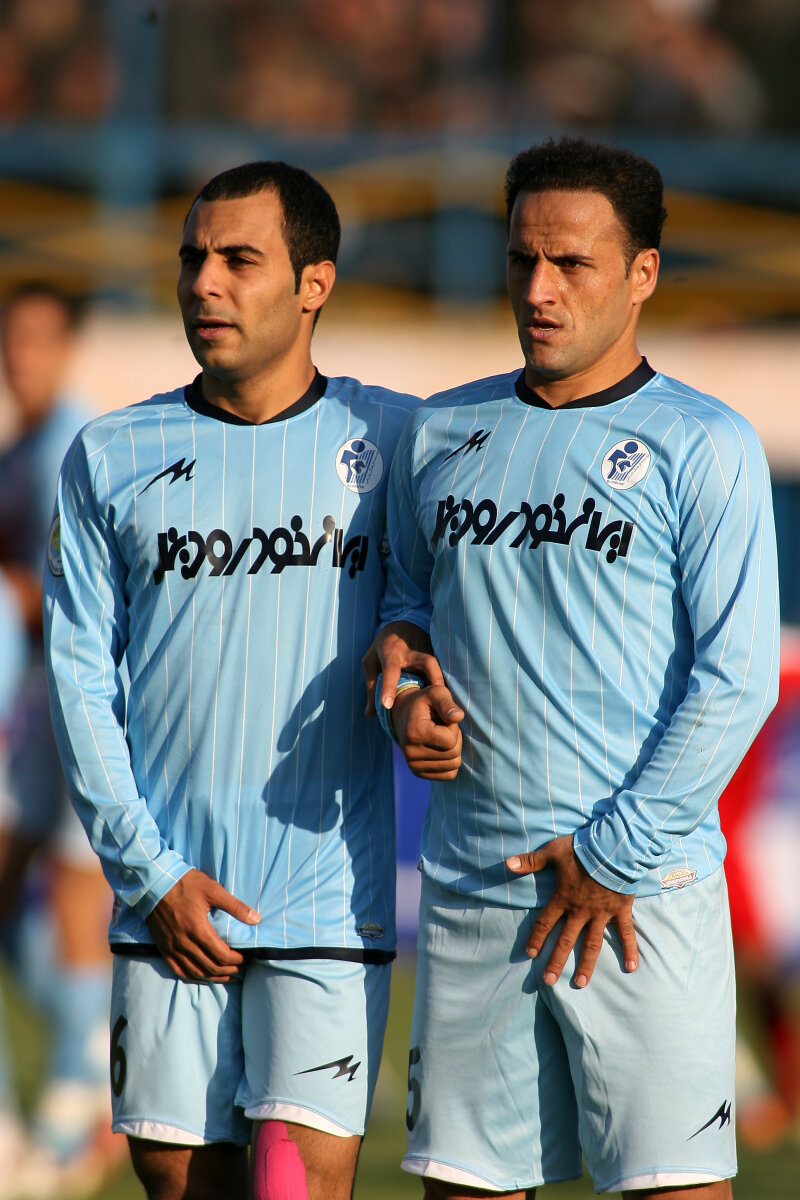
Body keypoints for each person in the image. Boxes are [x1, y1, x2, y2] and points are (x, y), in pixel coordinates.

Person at [365, 136, 779, 1198]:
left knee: (673, 1189)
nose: (538, 290)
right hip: (474, 889)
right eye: (521, 260)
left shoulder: (705, 443)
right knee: (463, 1187)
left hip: (639, 896)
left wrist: (613, 854)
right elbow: (408, 611)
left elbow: (734, 678)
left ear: (641, 273)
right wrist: (406, 695)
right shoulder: (442, 429)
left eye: (571, 264)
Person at [43, 160, 419, 1200]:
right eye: (191, 258)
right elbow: (78, 683)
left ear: (314, 283)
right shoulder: (110, 454)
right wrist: (149, 875)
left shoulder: (396, 441)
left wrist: (414, 656)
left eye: (239, 259)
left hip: (324, 902)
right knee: (180, 1186)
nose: (203, 282)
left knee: (293, 1182)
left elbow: (436, 609)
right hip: (166, 900)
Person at [0, 282, 122, 1196]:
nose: (22, 356)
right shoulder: (19, 449)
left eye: (39, 339)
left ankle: (84, 1092)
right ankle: (82, 1082)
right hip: (33, 700)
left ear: (68, 346)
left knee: (80, 897)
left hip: (79, 699)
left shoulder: (68, 448)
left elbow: (62, 586)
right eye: (13, 339)